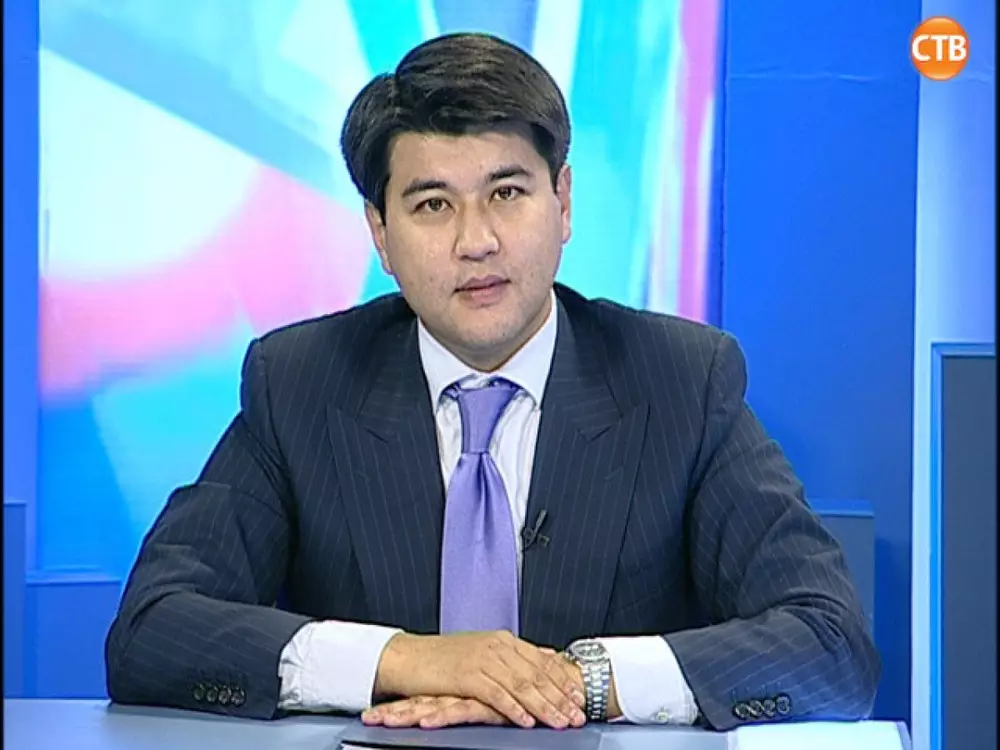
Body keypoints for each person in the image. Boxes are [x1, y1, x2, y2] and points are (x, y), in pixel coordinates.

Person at [104, 31, 880, 732]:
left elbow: (830, 643)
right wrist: (408, 659)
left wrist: (579, 682)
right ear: (380, 234)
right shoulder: (301, 382)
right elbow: (152, 629)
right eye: (432, 204)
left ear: (563, 202)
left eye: (507, 193)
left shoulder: (681, 380)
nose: (476, 241)